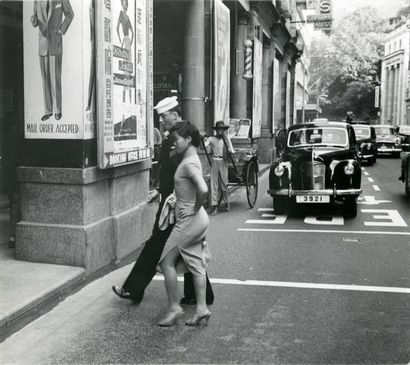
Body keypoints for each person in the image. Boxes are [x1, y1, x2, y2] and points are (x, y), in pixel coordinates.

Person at [112, 96, 214, 305]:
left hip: (175, 205)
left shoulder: (180, 139)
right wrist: (160, 190)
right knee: (186, 248)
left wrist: (182, 201)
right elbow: (173, 172)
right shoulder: (177, 137)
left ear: (175, 114)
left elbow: (185, 172)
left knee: (156, 245)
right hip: (174, 201)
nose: (161, 120)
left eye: (164, 116)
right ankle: (199, 295)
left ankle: (134, 288)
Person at [157, 121, 211, 327]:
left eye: (177, 139)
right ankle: (201, 309)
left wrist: (194, 207)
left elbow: (203, 189)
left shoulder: (188, 163)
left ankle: (174, 308)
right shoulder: (192, 158)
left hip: (190, 220)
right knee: (196, 264)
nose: (175, 143)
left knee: (166, 262)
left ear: (188, 140)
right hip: (197, 219)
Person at [31, 0, 74, 121]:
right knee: (45, 79)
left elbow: (70, 14)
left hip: (55, 42)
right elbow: (35, 22)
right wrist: (33, 20)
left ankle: (58, 110)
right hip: (43, 44)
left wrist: (62, 30)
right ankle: (48, 111)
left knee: (55, 78)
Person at [204, 121, 235, 216]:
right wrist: (203, 140)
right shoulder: (212, 139)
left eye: (221, 129)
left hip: (223, 162)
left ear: (224, 130)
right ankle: (215, 206)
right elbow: (205, 145)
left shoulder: (226, 139)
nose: (220, 131)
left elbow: (232, 150)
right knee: (214, 185)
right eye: (218, 129)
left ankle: (226, 202)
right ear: (216, 130)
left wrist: (230, 151)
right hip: (214, 161)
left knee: (224, 184)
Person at [116, 0, 134, 104]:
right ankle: (125, 100)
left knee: (127, 70)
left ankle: (129, 100)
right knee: (125, 70)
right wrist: (121, 40)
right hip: (125, 42)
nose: (125, 5)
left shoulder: (127, 17)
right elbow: (117, 28)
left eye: (126, 4)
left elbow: (133, 32)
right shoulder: (121, 15)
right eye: (124, 3)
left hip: (126, 42)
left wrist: (128, 42)